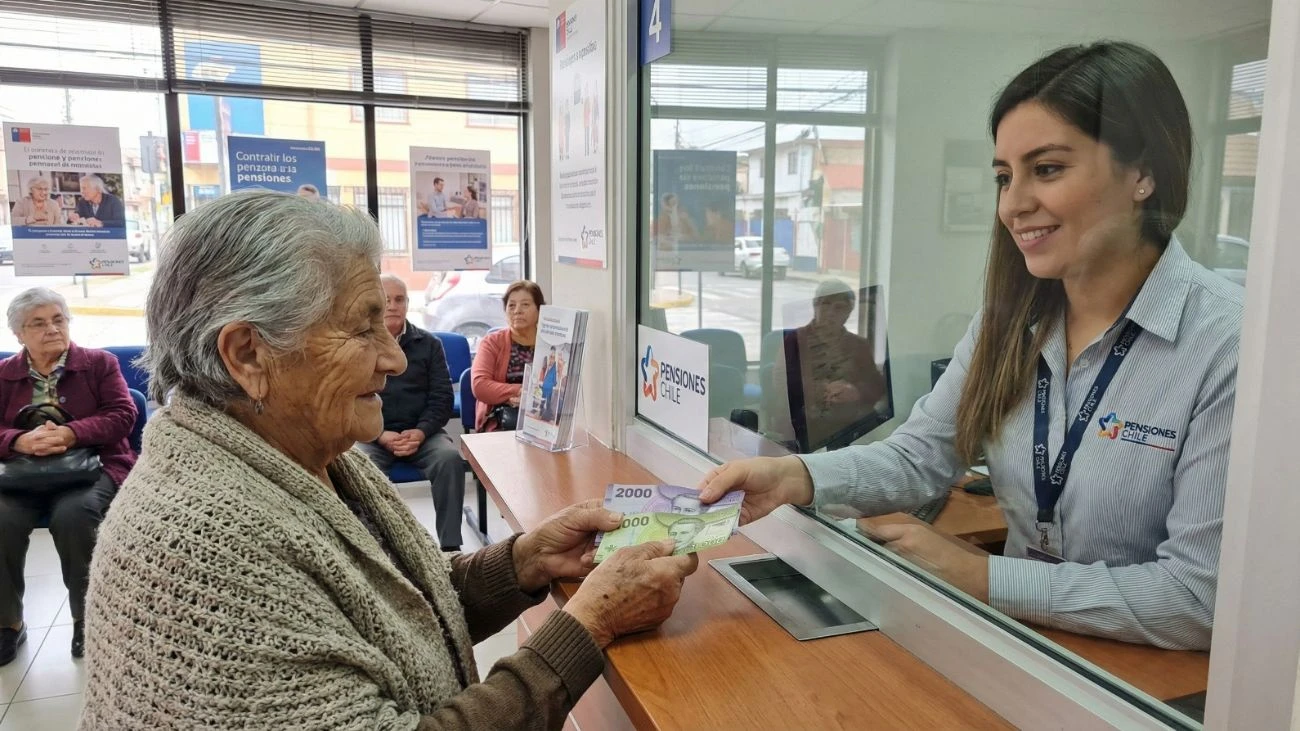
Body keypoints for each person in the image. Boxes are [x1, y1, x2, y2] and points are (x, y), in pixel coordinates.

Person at [79, 191, 698, 728]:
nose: (393, 357)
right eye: (361, 327)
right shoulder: (201, 549)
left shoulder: (294, 455)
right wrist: (590, 625)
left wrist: (523, 562)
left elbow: (393, 614)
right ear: (248, 354)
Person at [701, 41, 1242, 651]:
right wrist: (794, 476)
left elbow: (1201, 597)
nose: (1013, 204)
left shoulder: (1227, 343)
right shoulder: (1008, 321)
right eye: (1004, 177)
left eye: (1048, 169)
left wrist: (983, 577)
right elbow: (921, 457)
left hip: (1141, 685)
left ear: (1142, 173)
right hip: (1020, 652)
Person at [0, 288, 137, 666]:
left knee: (74, 515)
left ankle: (88, 619)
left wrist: (71, 433)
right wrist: (20, 440)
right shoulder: (3, 374)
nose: (52, 329)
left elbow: (123, 415)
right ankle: (7, 624)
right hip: (20, 476)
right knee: (1, 520)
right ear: (19, 334)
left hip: (92, 468)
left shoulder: (99, 364)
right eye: (38, 323)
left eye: (58, 319)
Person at [354, 275, 465, 551]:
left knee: (449, 460)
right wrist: (381, 435)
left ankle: (451, 548)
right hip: (373, 435)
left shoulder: (429, 344)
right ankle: (375, 548)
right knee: (359, 469)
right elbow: (351, 398)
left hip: (422, 433)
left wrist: (421, 431)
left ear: (407, 303)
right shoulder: (359, 344)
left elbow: (442, 397)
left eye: (399, 299)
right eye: (386, 299)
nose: (393, 305)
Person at [765, 279, 888, 451]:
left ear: (848, 312)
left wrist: (855, 392)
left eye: (839, 307)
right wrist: (825, 389)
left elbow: (876, 385)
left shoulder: (859, 344)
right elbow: (783, 384)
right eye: (825, 304)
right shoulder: (794, 341)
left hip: (850, 426)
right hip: (803, 426)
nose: (830, 312)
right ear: (815, 306)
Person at [472, 280, 545, 432]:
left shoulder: (550, 344)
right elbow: (479, 385)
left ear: (540, 309)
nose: (517, 310)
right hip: (502, 421)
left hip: (545, 419)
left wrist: (530, 399)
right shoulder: (492, 342)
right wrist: (522, 391)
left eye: (525, 304)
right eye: (511, 305)